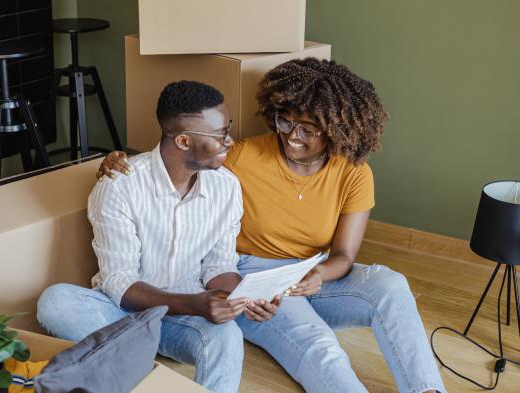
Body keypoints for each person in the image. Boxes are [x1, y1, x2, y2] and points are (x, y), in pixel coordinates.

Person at [96, 58, 446, 393]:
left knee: (391, 285)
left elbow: (344, 255)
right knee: (319, 344)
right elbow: (182, 153)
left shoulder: (353, 173)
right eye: (285, 121)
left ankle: (427, 389)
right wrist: (117, 160)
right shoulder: (244, 156)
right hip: (252, 275)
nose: (292, 135)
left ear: (336, 130)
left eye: (307, 128)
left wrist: (318, 276)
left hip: (313, 274)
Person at [37, 81, 282, 393]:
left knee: (227, 336)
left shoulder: (227, 187)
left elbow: (219, 265)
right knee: (55, 301)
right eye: (220, 134)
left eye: (227, 129)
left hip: (180, 320)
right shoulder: (119, 185)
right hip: (120, 314)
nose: (229, 141)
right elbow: (119, 281)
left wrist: (249, 296)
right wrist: (194, 303)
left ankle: (127, 360)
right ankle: (136, 364)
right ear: (182, 140)